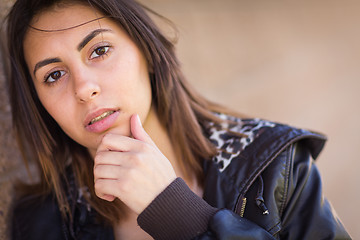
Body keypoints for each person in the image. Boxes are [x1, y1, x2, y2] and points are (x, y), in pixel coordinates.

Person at [4, 0, 351, 239]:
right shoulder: (41, 221)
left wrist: (175, 213)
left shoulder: (276, 170)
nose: (84, 88)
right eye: (54, 75)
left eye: (99, 50)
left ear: (148, 52)